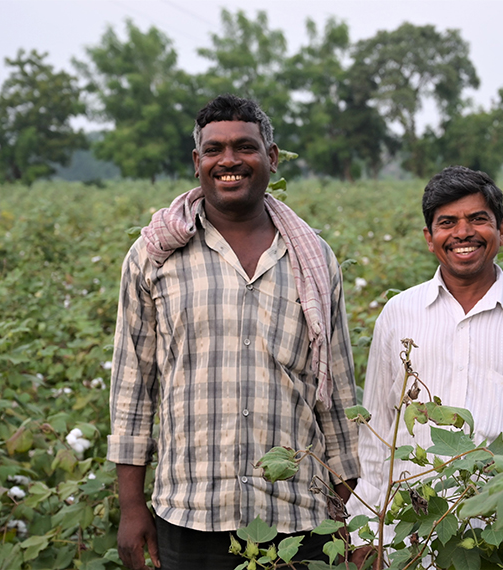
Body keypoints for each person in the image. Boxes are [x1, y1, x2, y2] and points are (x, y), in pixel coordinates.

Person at [107, 94, 360, 570]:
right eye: (214, 149)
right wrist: (131, 506)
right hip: (189, 511)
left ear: (272, 157)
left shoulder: (313, 258)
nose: (229, 160)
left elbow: (337, 389)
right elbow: (132, 389)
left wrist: (347, 505)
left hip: (297, 513)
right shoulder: (154, 256)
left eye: (245, 147)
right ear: (197, 162)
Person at [354, 166, 503, 570]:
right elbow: (376, 439)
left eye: (477, 219)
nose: (463, 233)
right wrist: (366, 534)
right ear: (429, 237)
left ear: (501, 230)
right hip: (413, 542)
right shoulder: (398, 314)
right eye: (447, 223)